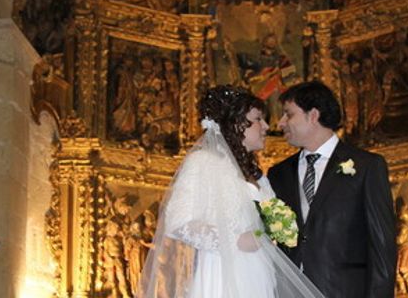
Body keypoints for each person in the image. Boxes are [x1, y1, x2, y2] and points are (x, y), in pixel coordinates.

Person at [137, 85, 324, 298]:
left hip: (259, 273)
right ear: (236, 124)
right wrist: (233, 240)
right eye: (257, 119)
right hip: (224, 272)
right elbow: (178, 221)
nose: (265, 126)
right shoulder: (204, 162)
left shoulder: (259, 178)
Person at [268, 80, 397, 298]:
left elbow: (382, 247)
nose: (280, 123)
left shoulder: (367, 166)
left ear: (313, 115)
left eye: (288, 114)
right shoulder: (278, 174)